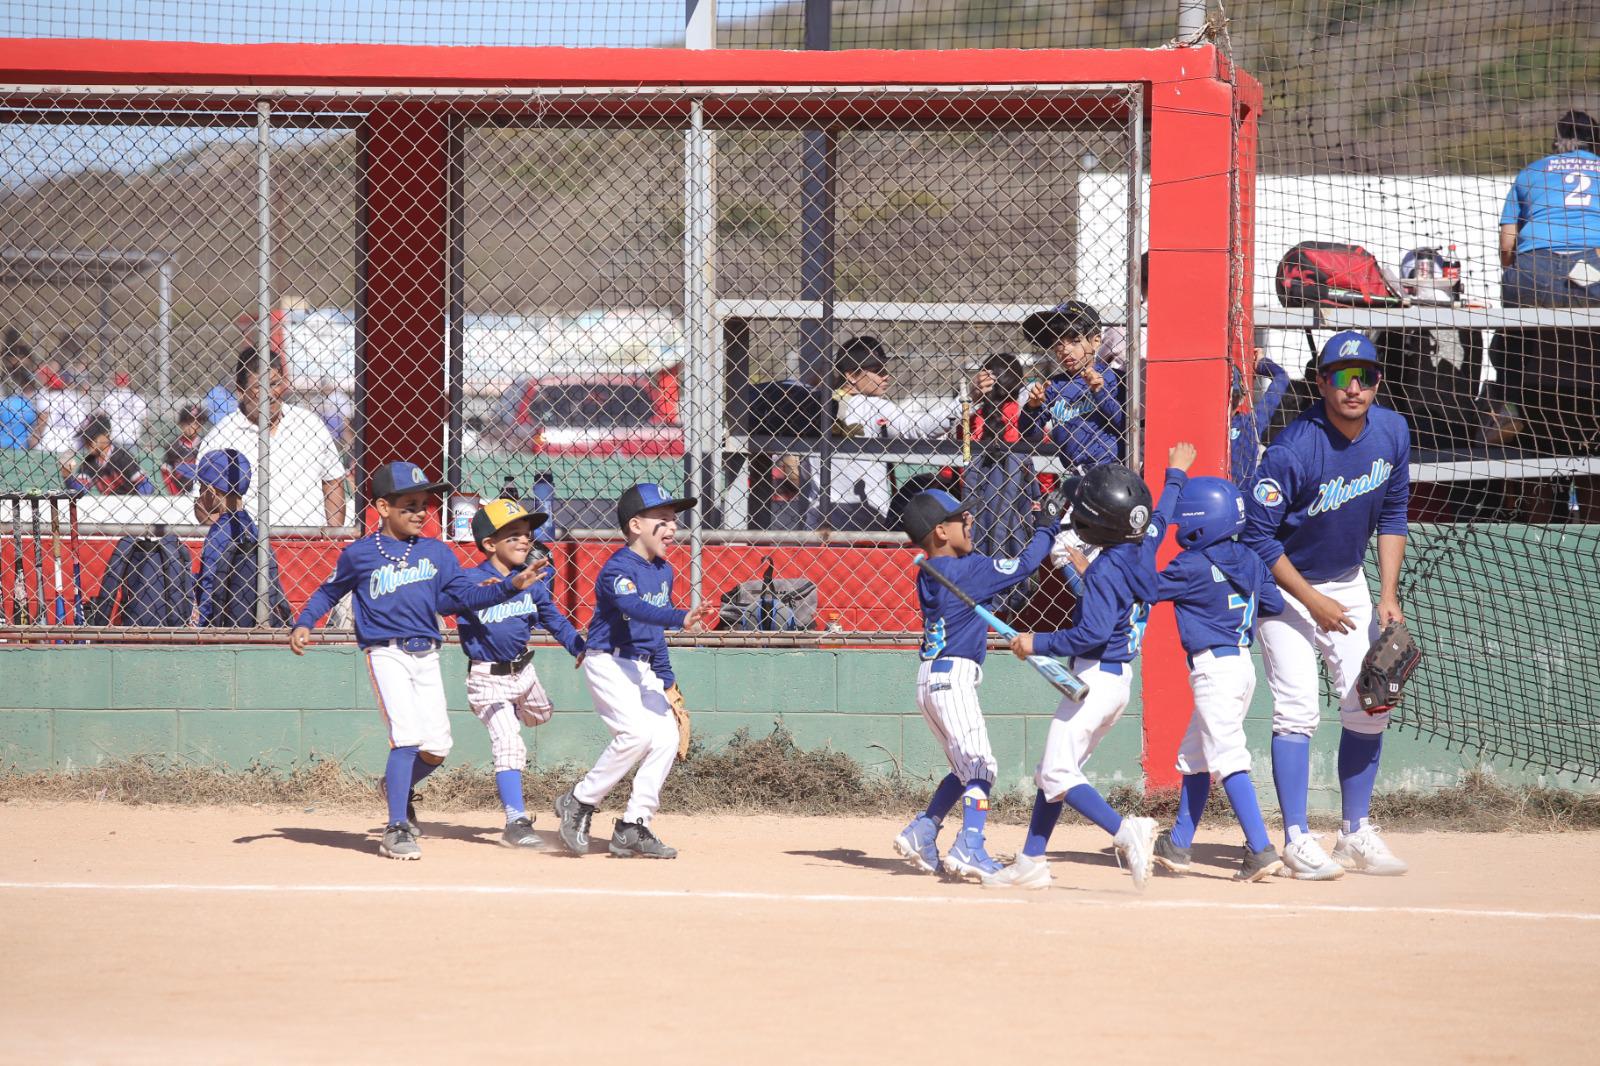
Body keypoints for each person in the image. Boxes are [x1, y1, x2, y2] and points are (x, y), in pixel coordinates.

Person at [289, 461, 544, 860]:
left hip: (427, 653)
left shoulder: (436, 553)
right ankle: (395, 828)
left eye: (423, 504)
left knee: (438, 746)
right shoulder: (360, 554)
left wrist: (510, 586)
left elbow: (468, 598)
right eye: (408, 505)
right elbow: (328, 590)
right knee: (406, 735)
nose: (420, 512)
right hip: (385, 651)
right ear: (382, 507)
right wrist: (305, 622)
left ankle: (395, 786)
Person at [983, 446, 1194, 890]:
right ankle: (1031, 859)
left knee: (1057, 772)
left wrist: (1034, 641)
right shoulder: (1141, 545)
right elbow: (1160, 517)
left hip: (1095, 677)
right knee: (1055, 770)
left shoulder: (1103, 573)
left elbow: (1091, 634)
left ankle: (1125, 831)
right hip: (1114, 683)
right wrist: (1174, 475)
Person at [1241, 330, 1411, 880]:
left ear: (1378, 382)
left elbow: (1393, 514)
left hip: (1348, 583)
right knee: (1297, 709)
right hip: (1285, 588)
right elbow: (1259, 539)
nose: (1353, 387)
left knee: (1370, 702)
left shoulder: (1392, 432)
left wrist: (1386, 595)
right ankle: (1295, 839)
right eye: (1340, 377)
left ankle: (1354, 833)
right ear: (1321, 384)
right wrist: (1310, 601)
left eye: (1365, 376)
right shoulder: (1295, 448)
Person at [891, 486, 1061, 881]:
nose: (969, 520)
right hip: (953, 677)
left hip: (929, 678)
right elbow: (1023, 566)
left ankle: (925, 829)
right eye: (960, 518)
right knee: (982, 767)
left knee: (964, 769)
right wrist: (1046, 528)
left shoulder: (933, 569)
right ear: (940, 533)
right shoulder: (965, 571)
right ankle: (970, 845)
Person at [552, 483, 716, 860]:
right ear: (636, 524)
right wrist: (681, 617)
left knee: (665, 738)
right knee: (636, 735)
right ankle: (579, 801)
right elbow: (636, 608)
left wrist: (669, 681)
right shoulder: (618, 569)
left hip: (642, 665)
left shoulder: (663, 570)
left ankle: (633, 825)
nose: (673, 528)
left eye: (674, 520)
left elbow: (653, 634)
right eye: (663, 520)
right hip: (608, 661)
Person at [1149, 475, 1288, 882]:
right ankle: (1177, 842)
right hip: (1243, 667)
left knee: (1228, 755)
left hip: (1213, 670)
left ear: (1200, 521)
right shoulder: (1250, 559)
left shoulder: (1190, 563)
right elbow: (1274, 603)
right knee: (1194, 755)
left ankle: (1260, 848)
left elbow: (1147, 588)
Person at [447, 497, 585, 849]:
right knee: (509, 743)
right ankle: (515, 821)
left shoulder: (533, 581)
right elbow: (452, 602)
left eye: (527, 534)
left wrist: (578, 646)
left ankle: (516, 711)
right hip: (487, 679)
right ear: (489, 543)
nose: (525, 540)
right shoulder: (472, 582)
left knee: (541, 715)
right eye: (513, 535)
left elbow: (553, 619)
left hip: (524, 673)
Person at [197, 347, 346, 528]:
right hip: (250, 549)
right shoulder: (220, 438)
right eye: (259, 387)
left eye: (275, 384)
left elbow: (332, 482)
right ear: (240, 390)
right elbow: (204, 505)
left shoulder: (309, 424)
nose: (270, 394)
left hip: (310, 548)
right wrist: (228, 539)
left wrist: (333, 538)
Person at [827, 336, 957, 531]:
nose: (886, 375)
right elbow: (916, 428)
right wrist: (965, 403)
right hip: (866, 526)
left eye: (884, 368)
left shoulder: (816, 402)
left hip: (818, 526)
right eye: (877, 370)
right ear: (851, 376)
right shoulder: (868, 405)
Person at [1499, 110, 1600, 308]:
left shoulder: (1531, 171)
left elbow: (1506, 244)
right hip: (1591, 269)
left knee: (1516, 333)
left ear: (1557, 140)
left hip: (1532, 270)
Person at [192, 448, 293, 628]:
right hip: (251, 617)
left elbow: (210, 585)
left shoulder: (219, 533)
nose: (200, 494)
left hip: (225, 622)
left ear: (211, 491)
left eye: (201, 487)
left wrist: (204, 627)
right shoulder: (251, 527)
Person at [1019, 302, 1125, 471]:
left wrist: (1100, 392)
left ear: (1096, 341)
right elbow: (1030, 435)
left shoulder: (1113, 378)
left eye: (1075, 341)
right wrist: (1032, 408)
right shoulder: (1055, 385)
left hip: (1111, 470)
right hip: (1074, 472)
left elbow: (1125, 424)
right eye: (1058, 343)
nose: (1065, 350)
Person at [965, 351, 1038, 573]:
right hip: (1019, 511)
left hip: (975, 512)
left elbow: (950, 472)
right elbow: (1042, 475)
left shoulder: (969, 418)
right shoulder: (1026, 417)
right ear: (1019, 384)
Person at [1230, 354, 1290, 486]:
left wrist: (1261, 363)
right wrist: (1261, 363)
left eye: (1233, 396)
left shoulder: (1251, 424)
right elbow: (1281, 377)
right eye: (1229, 395)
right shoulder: (1251, 424)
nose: (1230, 401)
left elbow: (1282, 378)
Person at [67, 414, 154, 496]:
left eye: (92, 437)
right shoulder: (89, 462)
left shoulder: (122, 456)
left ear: (106, 435)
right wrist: (66, 475)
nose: (88, 442)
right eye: (85, 438)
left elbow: (146, 486)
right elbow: (80, 491)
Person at [34, 365, 91, 467]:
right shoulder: (76, 398)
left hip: (48, 446)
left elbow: (41, 423)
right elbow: (84, 425)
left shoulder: (46, 397)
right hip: (72, 448)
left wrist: (33, 440)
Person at [161, 404, 207, 494]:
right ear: (181, 423)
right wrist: (176, 496)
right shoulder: (173, 446)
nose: (193, 425)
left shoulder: (205, 445)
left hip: (202, 494)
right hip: (180, 494)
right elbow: (166, 472)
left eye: (198, 421)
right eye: (189, 421)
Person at [102, 371, 147, 449]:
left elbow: (101, 414)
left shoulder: (109, 397)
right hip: (132, 438)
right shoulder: (138, 398)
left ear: (115, 382)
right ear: (128, 382)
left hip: (115, 437)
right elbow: (146, 420)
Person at [0, 365, 40, 450]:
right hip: (21, 448)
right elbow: (34, 427)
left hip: (3, 446)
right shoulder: (28, 406)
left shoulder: (3, 403)